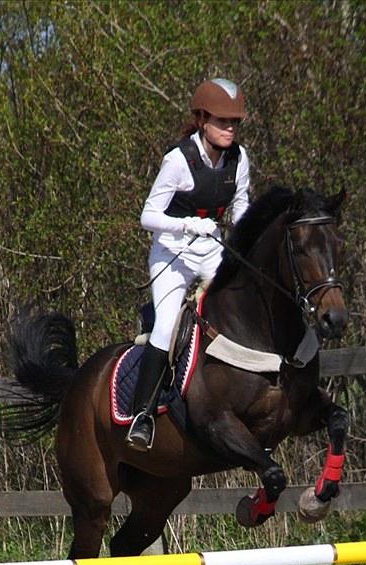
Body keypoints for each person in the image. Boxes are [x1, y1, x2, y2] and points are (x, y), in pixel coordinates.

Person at [126, 77, 250, 451]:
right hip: (173, 252)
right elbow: (148, 216)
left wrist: (243, 243)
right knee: (166, 327)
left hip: (212, 249)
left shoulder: (239, 159)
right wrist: (186, 224)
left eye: (235, 122)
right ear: (201, 119)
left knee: (241, 315)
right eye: (222, 121)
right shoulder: (178, 160)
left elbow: (242, 205)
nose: (230, 128)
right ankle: (142, 416)